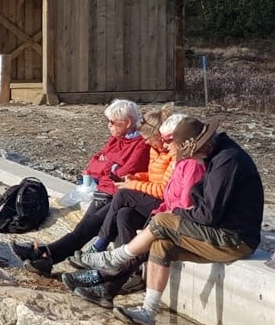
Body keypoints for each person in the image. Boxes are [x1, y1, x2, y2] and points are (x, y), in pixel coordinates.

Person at [64, 117, 263, 325]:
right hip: (219, 232)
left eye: (190, 155)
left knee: (163, 221)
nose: (189, 160)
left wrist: (175, 213)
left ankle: (113, 259)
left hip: (235, 239)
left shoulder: (227, 161)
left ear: (203, 147)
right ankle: (148, 312)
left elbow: (207, 215)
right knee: (161, 244)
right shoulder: (217, 154)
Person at [62, 113, 206, 307]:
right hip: (166, 214)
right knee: (124, 215)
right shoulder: (179, 160)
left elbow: (182, 201)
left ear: (180, 141)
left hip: (176, 220)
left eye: (168, 141)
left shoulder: (190, 165)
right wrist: (137, 182)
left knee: (128, 209)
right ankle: (111, 284)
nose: (164, 146)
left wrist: (152, 207)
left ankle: (102, 273)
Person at [12, 99, 151, 276]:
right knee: (82, 229)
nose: (109, 126)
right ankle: (45, 256)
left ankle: (44, 253)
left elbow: (124, 171)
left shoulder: (140, 145)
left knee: (84, 230)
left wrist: (107, 164)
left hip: (120, 195)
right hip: (104, 191)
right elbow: (93, 164)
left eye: (112, 122)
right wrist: (109, 166)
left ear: (128, 122)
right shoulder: (116, 139)